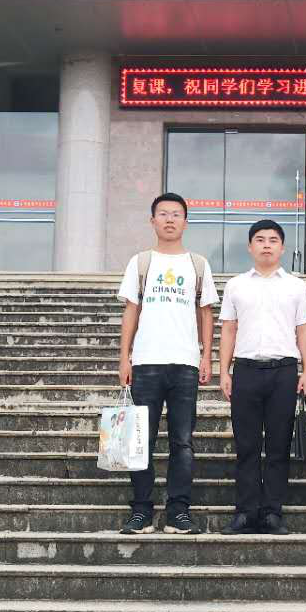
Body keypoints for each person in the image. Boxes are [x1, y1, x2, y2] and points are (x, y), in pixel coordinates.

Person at [117, 192, 217, 536]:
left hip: (185, 363)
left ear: (185, 222)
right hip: (146, 362)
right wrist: (124, 357)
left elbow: (206, 312)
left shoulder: (197, 264)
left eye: (176, 214)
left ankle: (178, 512)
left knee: (182, 441)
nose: (170, 219)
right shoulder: (141, 262)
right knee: (139, 440)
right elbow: (131, 310)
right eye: (163, 214)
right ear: (152, 221)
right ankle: (141, 511)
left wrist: (206, 356)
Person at [218, 220, 306, 536]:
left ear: (282, 247)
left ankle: (272, 512)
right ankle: (246, 512)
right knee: (246, 446)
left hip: (284, 372)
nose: (267, 245)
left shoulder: (296, 286)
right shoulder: (236, 285)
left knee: (278, 445)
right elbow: (228, 329)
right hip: (245, 371)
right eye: (260, 239)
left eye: (273, 240)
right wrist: (224, 371)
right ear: (250, 247)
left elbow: (303, 330)